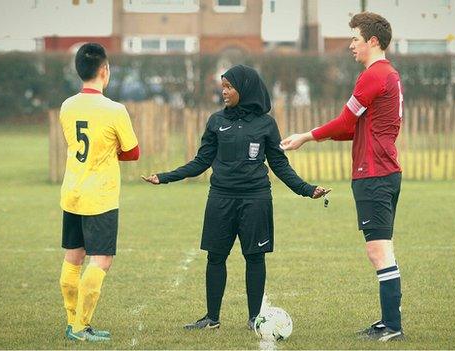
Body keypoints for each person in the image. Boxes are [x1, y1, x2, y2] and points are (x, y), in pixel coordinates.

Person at [142, 64, 329, 331]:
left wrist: (307, 189)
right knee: (215, 257)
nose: (224, 92)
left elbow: (280, 164)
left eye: (229, 87)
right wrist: (166, 176)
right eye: (223, 87)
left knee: (255, 257)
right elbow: (201, 161)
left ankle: (255, 319)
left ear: (245, 88)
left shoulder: (266, 124)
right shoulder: (216, 122)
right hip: (220, 198)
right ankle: (211, 319)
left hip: (256, 199)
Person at [280, 12, 404, 341]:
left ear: (372, 41)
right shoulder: (387, 74)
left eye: (355, 39)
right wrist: (313, 137)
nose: (351, 45)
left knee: (378, 251)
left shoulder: (374, 75)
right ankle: (388, 322)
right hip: (383, 172)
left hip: (374, 174)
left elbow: (345, 122)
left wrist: (306, 135)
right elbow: (354, 129)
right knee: (382, 249)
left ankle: (392, 326)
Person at [58, 43, 140, 342]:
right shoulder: (115, 110)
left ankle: (71, 322)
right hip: (100, 195)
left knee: (73, 256)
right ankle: (81, 326)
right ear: (104, 71)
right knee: (102, 259)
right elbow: (132, 152)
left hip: (72, 191)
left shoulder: (67, 106)